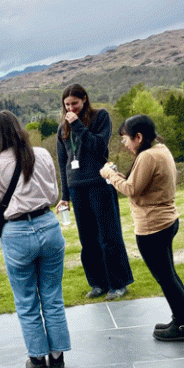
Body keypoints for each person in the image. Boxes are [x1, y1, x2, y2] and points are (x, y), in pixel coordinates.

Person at [0, 110, 71, 368]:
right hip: (48, 225)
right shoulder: (40, 154)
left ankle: (38, 361)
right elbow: (53, 194)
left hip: (17, 233)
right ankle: (58, 360)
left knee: (27, 301)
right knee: (53, 297)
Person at [101, 115, 184, 341]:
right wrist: (122, 176)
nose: (124, 144)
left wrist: (109, 174)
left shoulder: (147, 156)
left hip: (152, 227)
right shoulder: (161, 150)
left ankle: (183, 326)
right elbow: (145, 185)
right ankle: (181, 318)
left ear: (139, 137)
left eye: (126, 139)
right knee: (170, 274)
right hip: (167, 220)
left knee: (165, 277)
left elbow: (132, 190)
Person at [56, 83, 134, 300]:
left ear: (84, 100)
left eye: (75, 104)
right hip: (76, 186)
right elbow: (63, 163)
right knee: (88, 239)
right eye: (67, 105)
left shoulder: (100, 117)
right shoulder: (62, 128)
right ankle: (98, 283)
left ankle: (118, 283)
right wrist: (65, 197)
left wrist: (79, 126)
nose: (71, 109)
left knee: (109, 235)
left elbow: (98, 147)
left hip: (99, 182)